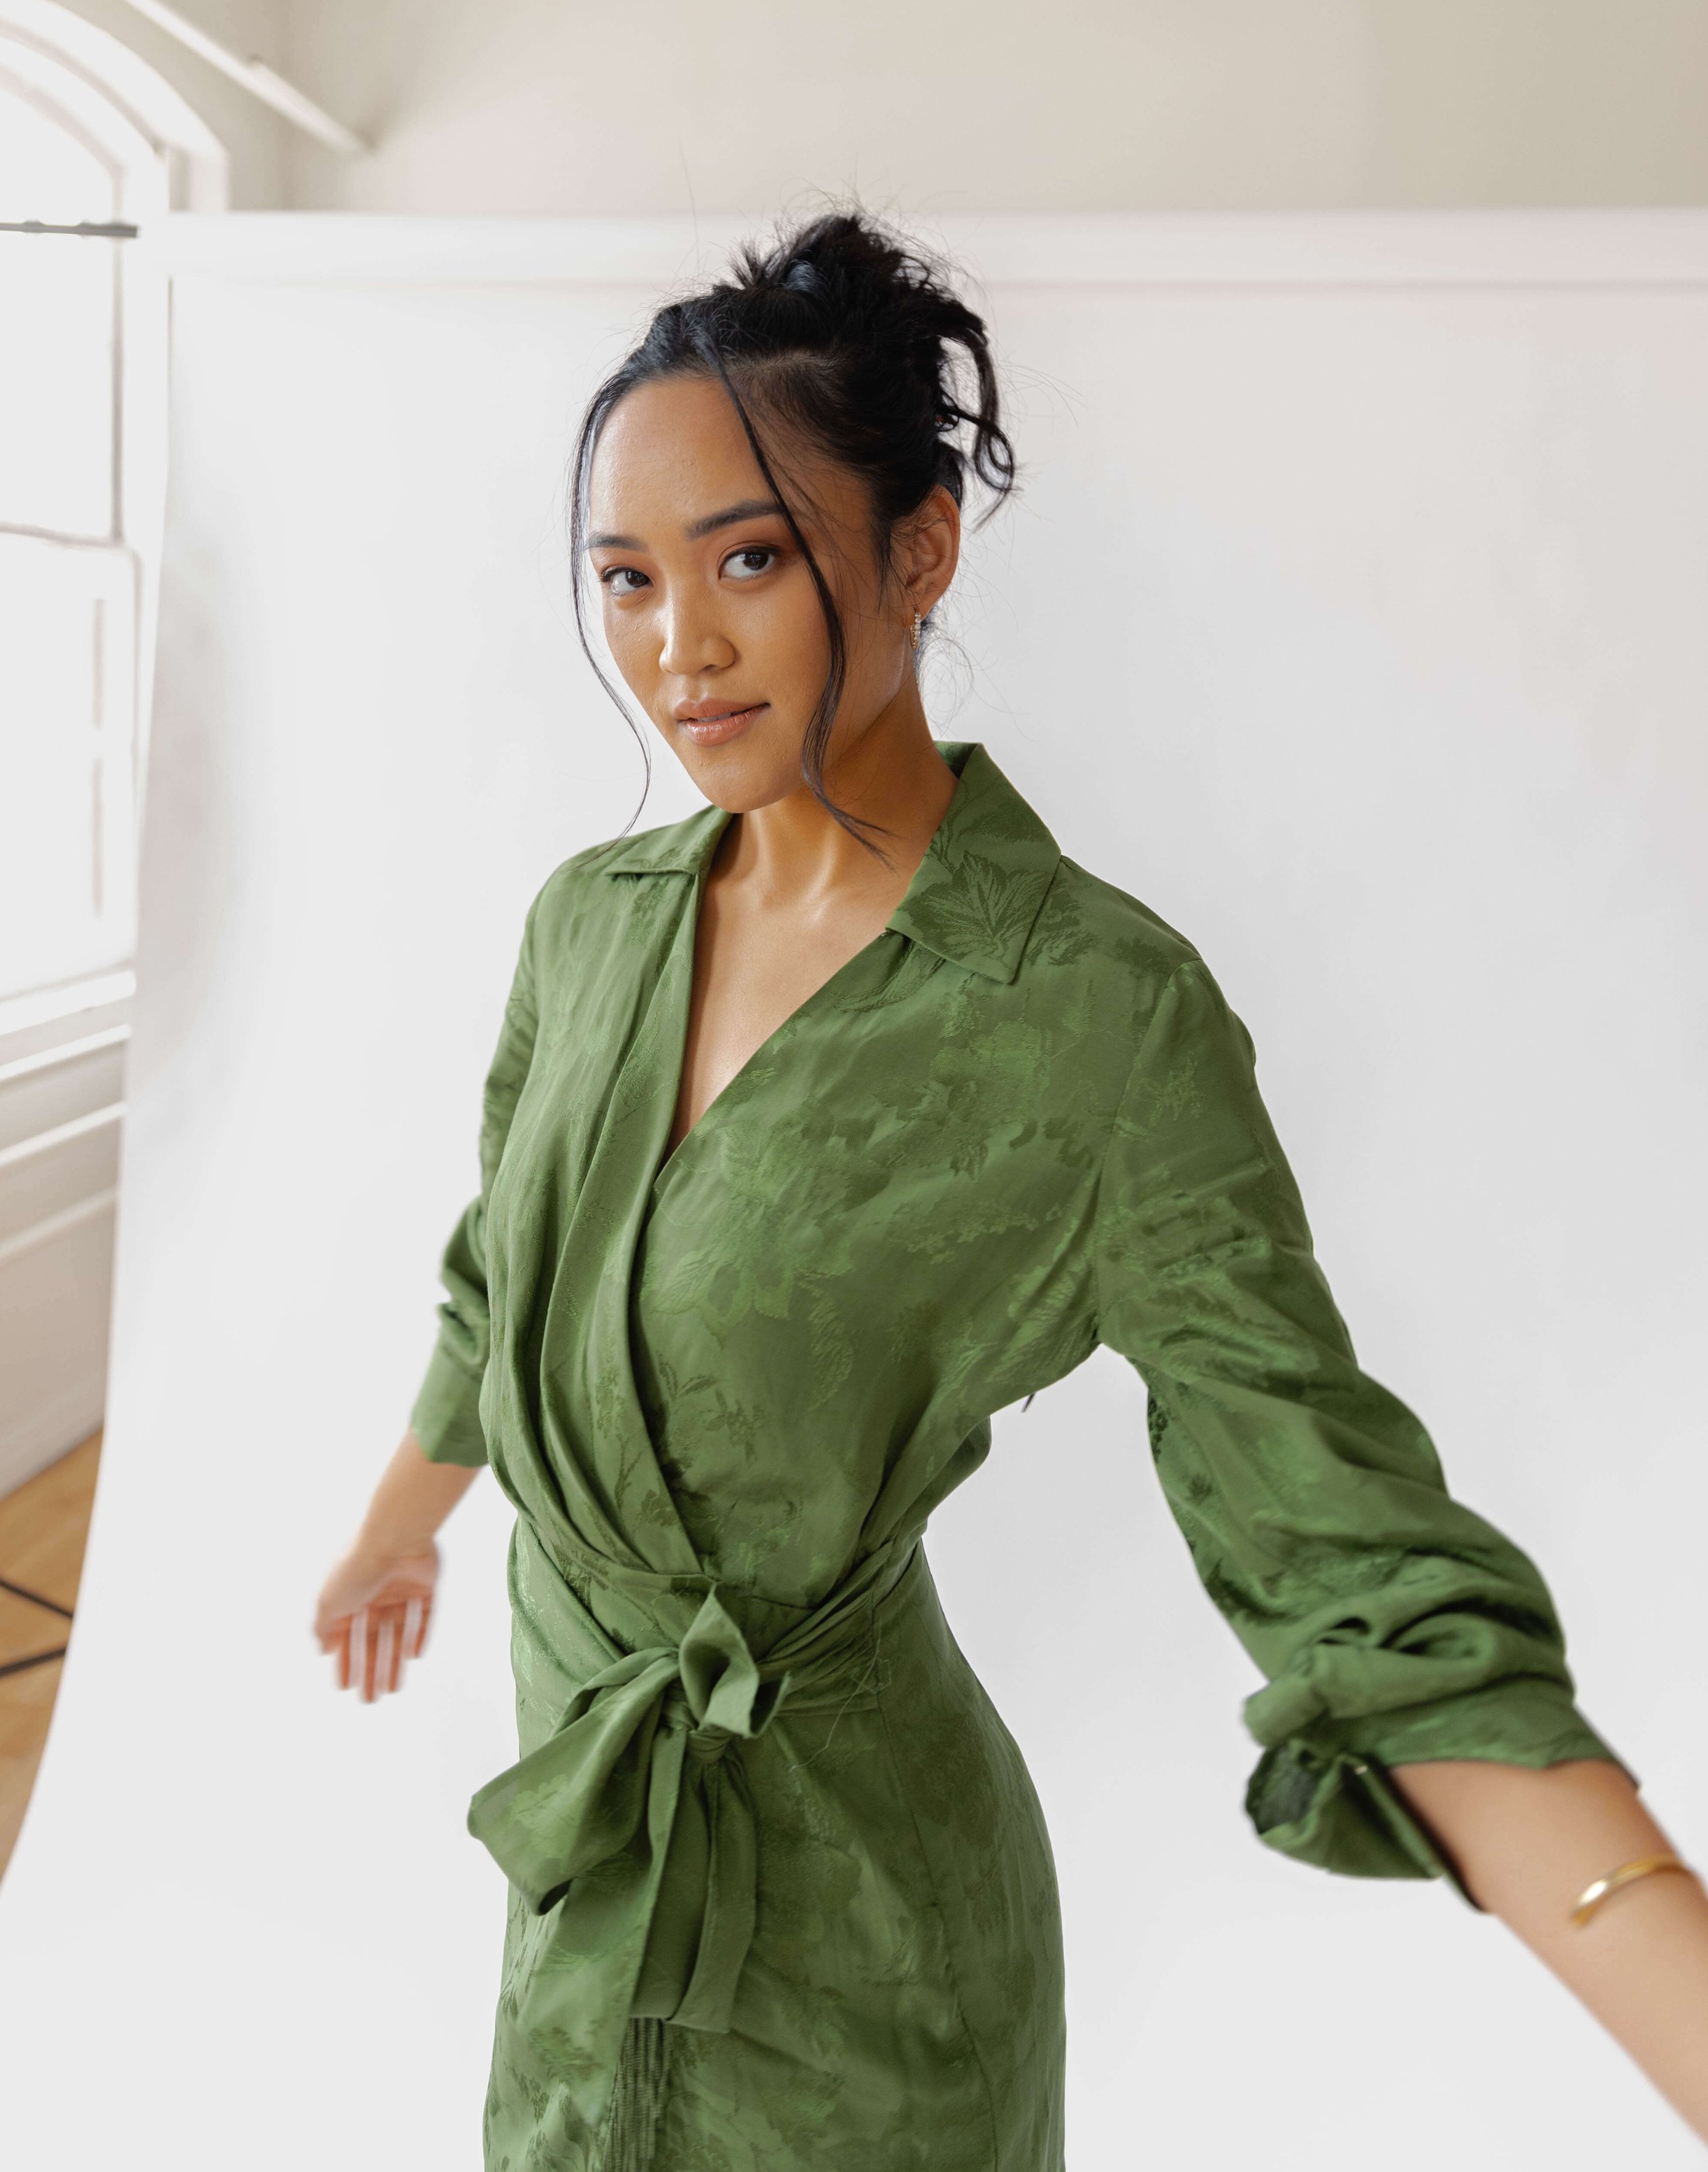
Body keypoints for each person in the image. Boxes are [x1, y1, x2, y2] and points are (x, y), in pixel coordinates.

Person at [314, 214, 1708, 2172]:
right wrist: (403, 1525)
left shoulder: (1090, 1018)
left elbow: (1350, 1563)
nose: (675, 647)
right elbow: (503, 1275)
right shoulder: (587, 931)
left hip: (872, 1957)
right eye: (624, 581)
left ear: (918, 550)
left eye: (746, 561)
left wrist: (1665, 1985)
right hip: (586, 1893)